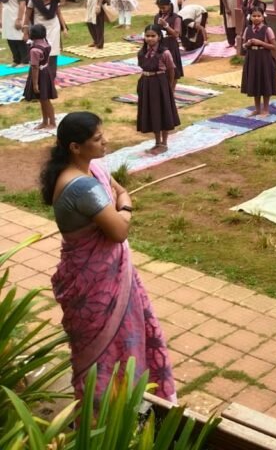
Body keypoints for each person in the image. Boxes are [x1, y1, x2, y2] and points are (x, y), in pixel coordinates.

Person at [41, 112, 175, 403]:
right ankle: (104, 416)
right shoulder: (81, 187)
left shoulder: (91, 170)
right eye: (97, 139)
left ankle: (123, 408)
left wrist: (120, 199)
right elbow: (118, 230)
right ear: (75, 147)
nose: (106, 142)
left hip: (103, 276)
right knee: (102, 354)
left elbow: (118, 189)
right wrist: (125, 207)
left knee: (118, 347)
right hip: (95, 285)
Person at [136, 24, 179, 152]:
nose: (150, 38)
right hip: (146, 84)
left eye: (153, 36)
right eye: (147, 36)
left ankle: (164, 143)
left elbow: (171, 70)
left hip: (160, 84)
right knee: (152, 112)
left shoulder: (165, 53)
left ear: (159, 37)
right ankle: (157, 142)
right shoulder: (142, 52)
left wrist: (169, 87)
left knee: (163, 111)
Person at [240, 6, 276, 116]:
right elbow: (243, 45)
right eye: (254, 16)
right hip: (252, 59)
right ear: (250, 17)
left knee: (265, 83)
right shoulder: (247, 29)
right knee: (255, 82)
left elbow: (274, 46)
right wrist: (247, 44)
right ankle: (257, 109)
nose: (256, 18)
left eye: (259, 16)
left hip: (264, 60)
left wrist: (261, 43)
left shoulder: (267, 30)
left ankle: (266, 109)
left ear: (263, 17)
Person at [24, 0, 68, 69]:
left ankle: (51, 72)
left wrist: (64, 28)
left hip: (53, 27)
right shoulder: (34, 1)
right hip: (39, 29)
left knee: (53, 50)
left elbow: (59, 13)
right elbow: (27, 16)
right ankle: (41, 70)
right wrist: (25, 32)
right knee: (41, 49)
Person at [23, 23, 58, 129]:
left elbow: (35, 67)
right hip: (46, 71)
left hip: (39, 75)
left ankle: (52, 122)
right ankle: (45, 121)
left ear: (32, 35)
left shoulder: (35, 50)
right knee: (42, 99)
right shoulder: (45, 43)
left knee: (45, 100)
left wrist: (35, 84)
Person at [1, 0, 28, 65]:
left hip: (17, 16)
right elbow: (1, 4)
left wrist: (19, 19)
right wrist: (1, 19)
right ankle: (16, 60)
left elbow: (22, 4)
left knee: (19, 39)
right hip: (6, 17)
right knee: (10, 39)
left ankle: (25, 61)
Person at [153, 0, 183, 79]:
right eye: (160, 8)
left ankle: (171, 87)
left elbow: (176, 34)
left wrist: (166, 25)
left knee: (172, 70)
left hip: (171, 45)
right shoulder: (157, 17)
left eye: (163, 8)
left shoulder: (176, 18)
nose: (162, 10)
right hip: (160, 45)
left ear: (169, 5)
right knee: (161, 70)